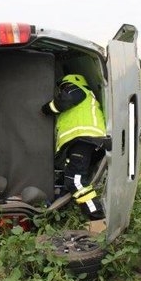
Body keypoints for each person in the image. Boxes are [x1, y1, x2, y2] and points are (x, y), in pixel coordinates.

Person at [41, 74, 106, 220]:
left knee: (75, 181)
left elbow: (64, 101)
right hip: (85, 142)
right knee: (68, 177)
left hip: (84, 140)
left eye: (62, 88)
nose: (61, 91)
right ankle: (58, 207)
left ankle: (96, 214)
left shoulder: (77, 89)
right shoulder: (87, 98)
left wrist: (46, 108)